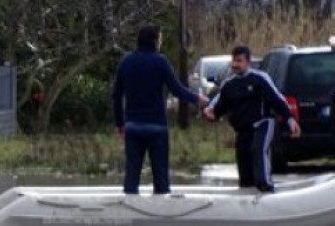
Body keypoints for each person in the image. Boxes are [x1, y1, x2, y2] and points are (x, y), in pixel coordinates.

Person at [113, 25, 208, 194]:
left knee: (132, 174)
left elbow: (116, 95)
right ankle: (161, 205)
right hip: (156, 126)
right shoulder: (160, 61)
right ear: (155, 40)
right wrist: (197, 98)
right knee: (160, 174)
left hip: (133, 126)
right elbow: (176, 89)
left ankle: (129, 204)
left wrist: (120, 124)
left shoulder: (126, 61)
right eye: (160, 39)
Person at [203, 46, 301, 192]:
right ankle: (247, 190)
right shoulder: (229, 85)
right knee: (244, 160)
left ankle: (266, 186)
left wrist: (290, 119)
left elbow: (277, 100)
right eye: (234, 61)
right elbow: (219, 108)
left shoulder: (259, 79)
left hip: (263, 124)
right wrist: (211, 115)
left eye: (239, 61)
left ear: (248, 62)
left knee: (258, 150)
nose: (235, 64)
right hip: (243, 129)